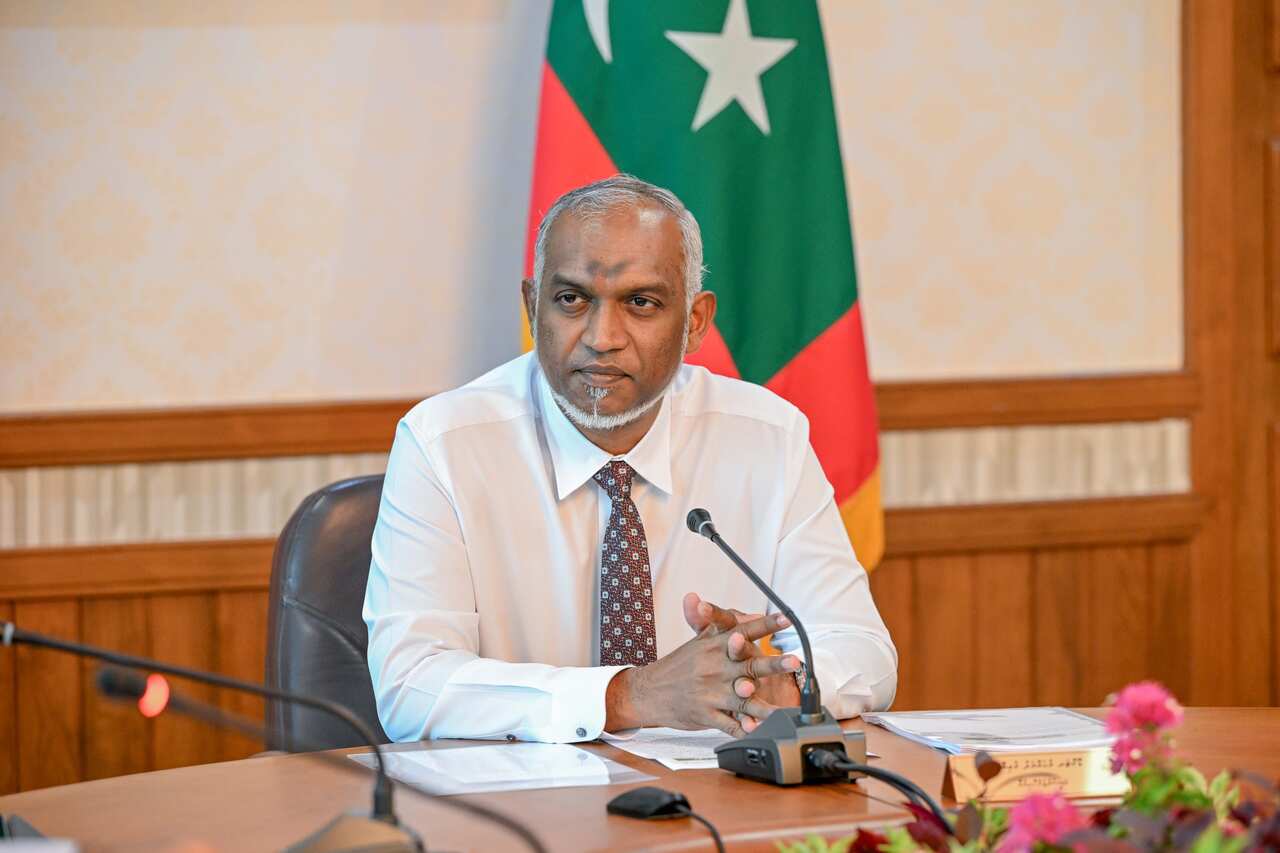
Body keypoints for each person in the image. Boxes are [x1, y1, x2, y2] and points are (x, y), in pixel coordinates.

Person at [363, 175, 897, 743]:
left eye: (641, 303)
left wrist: (772, 684)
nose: (602, 337)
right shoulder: (444, 444)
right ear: (532, 307)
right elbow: (410, 686)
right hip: (522, 795)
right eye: (571, 300)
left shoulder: (767, 437)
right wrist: (632, 696)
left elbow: (861, 650)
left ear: (695, 322)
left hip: (711, 791)